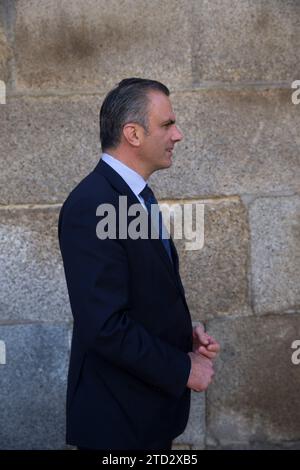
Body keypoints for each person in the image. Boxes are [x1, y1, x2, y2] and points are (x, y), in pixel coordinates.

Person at [58, 78, 220, 451]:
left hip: (143, 417)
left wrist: (182, 332)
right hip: (118, 425)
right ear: (132, 133)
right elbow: (104, 326)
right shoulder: (93, 204)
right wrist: (183, 368)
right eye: (167, 124)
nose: (177, 134)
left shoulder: (133, 196)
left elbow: (134, 294)